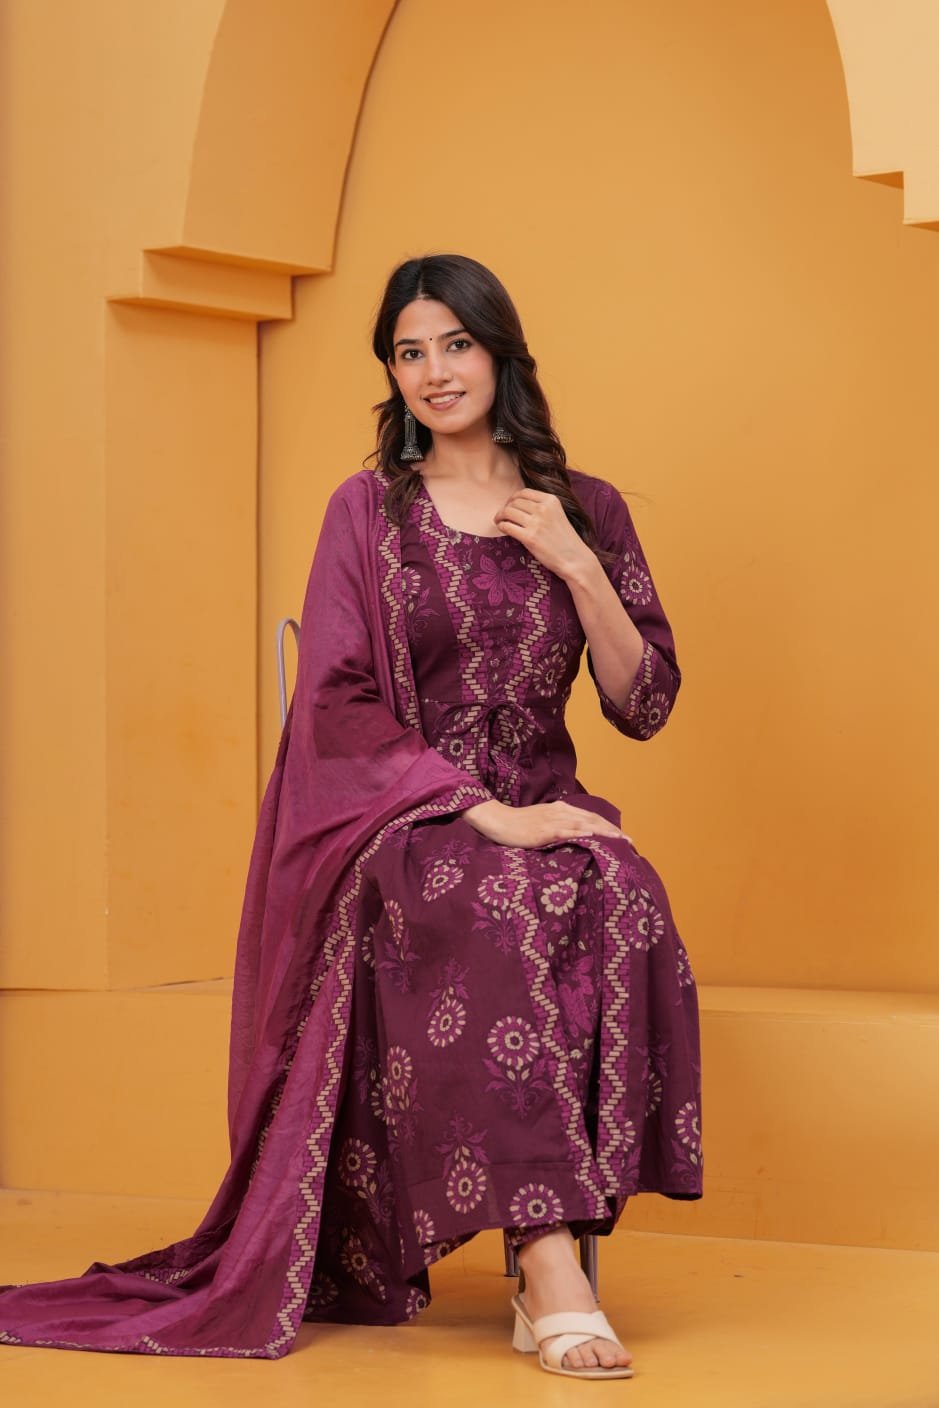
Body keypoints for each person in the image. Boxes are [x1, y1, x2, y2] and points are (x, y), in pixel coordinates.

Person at [0, 254, 701, 1377]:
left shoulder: (590, 509)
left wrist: (578, 565)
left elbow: (644, 701)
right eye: (409, 352)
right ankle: (547, 1266)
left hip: (548, 799)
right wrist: (481, 813)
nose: (435, 371)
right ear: (393, 373)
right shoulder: (369, 512)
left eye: (455, 344)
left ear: (501, 352)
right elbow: (335, 698)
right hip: (404, 815)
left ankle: (558, 1239)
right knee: (488, 900)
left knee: (624, 891)